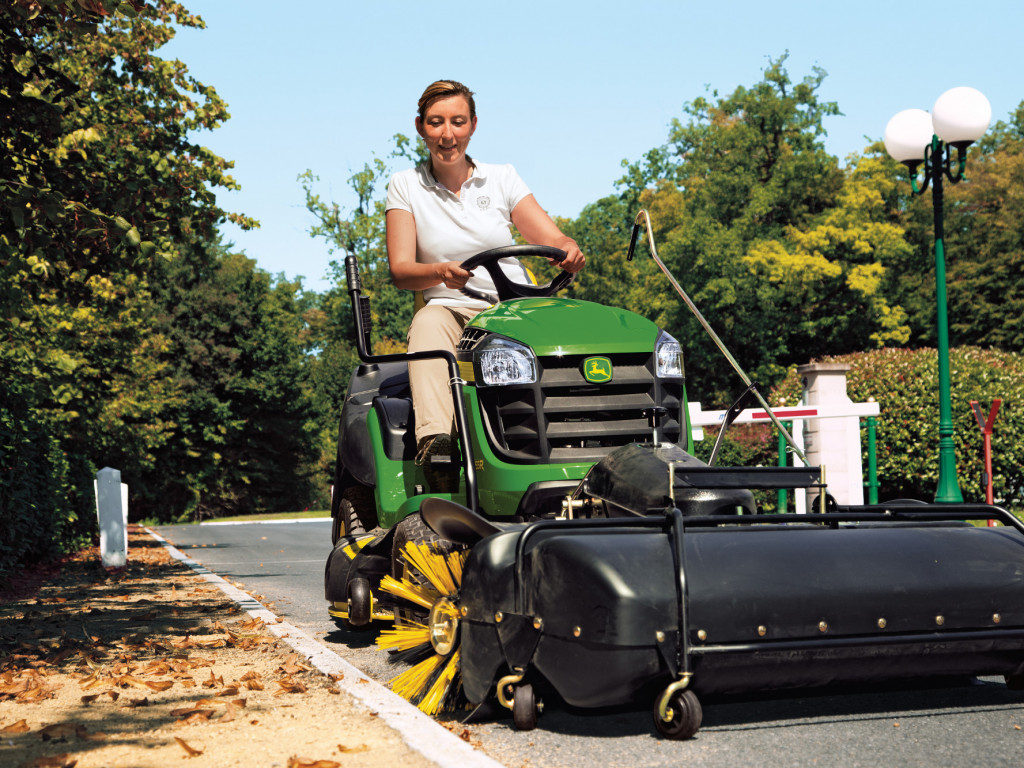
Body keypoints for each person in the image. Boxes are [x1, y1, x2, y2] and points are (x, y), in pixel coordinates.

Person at [385, 79, 585, 485]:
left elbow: (552, 238)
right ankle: (437, 445)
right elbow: (401, 270)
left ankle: (584, 440)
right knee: (427, 323)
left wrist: (567, 248)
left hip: (513, 308)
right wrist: (440, 271)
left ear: (473, 125)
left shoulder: (502, 178)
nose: (447, 134)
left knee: (576, 328)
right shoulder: (405, 185)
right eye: (436, 122)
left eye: (458, 122)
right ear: (420, 127)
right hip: (451, 308)